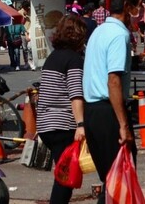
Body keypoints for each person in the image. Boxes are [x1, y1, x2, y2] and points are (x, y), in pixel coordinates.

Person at [83, 0, 139, 204]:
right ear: (127, 7)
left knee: (111, 179)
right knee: (120, 177)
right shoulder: (118, 35)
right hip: (108, 112)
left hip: (93, 113)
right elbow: (113, 81)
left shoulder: (99, 31)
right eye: (138, 6)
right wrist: (124, 125)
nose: (139, 12)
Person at [36, 15, 87, 204]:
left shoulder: (53, 57)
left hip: (46, 124)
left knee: (64, 174)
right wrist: (80, 124)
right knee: (66, 177)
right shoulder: (73, 60)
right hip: (62, 125)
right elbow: (75, 94)